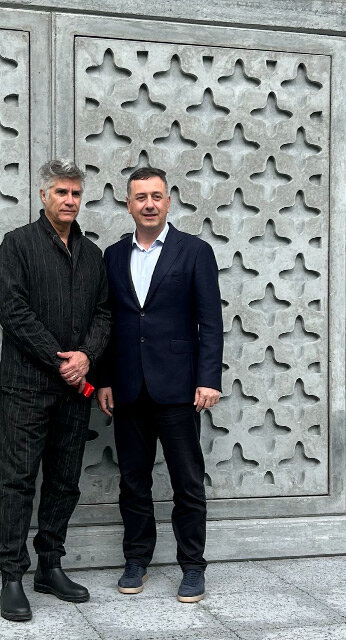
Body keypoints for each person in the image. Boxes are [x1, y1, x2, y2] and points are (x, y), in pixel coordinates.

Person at [97, 167, 223, 603]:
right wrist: (105, 380)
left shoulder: (195, 251)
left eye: (156, 196)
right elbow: (108, 323)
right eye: (140, 197)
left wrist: (208, 379)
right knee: (133, 482)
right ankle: (136, 560)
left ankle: (193, 566)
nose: (148, 204)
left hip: (179, 388)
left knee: (187, 482)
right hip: (128, 388)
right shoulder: (113, 255)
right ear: (128, 204)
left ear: (168, 202)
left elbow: (211, 321)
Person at [0, 159, 111, 621]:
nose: (69, 200)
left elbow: (104, 313)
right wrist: (61, 360)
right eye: (61, 192)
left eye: (76, 193)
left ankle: (50, 565)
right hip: (27, 388)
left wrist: (86, 357)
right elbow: (13, 311)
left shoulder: (93, 254)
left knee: (64, 481)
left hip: (74, 391)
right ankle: (11, 577)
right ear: (43, 195)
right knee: (17, 482)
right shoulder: (18, 244)